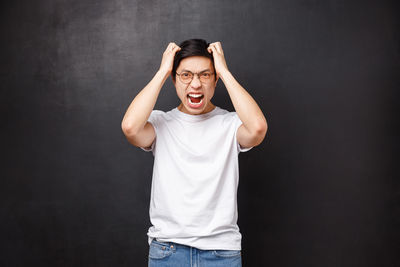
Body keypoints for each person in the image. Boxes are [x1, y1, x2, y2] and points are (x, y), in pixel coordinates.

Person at [121, 39, 267, 267]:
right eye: (186, 75)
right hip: (168, 251)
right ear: (174, 79)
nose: (195, 84)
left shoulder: (230, 124)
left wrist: (225, 72)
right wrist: (162, 71)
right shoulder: (161, 123)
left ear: (215, 79)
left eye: (205, 75)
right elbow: (130, 127)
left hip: (221, 252)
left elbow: (258, 129)